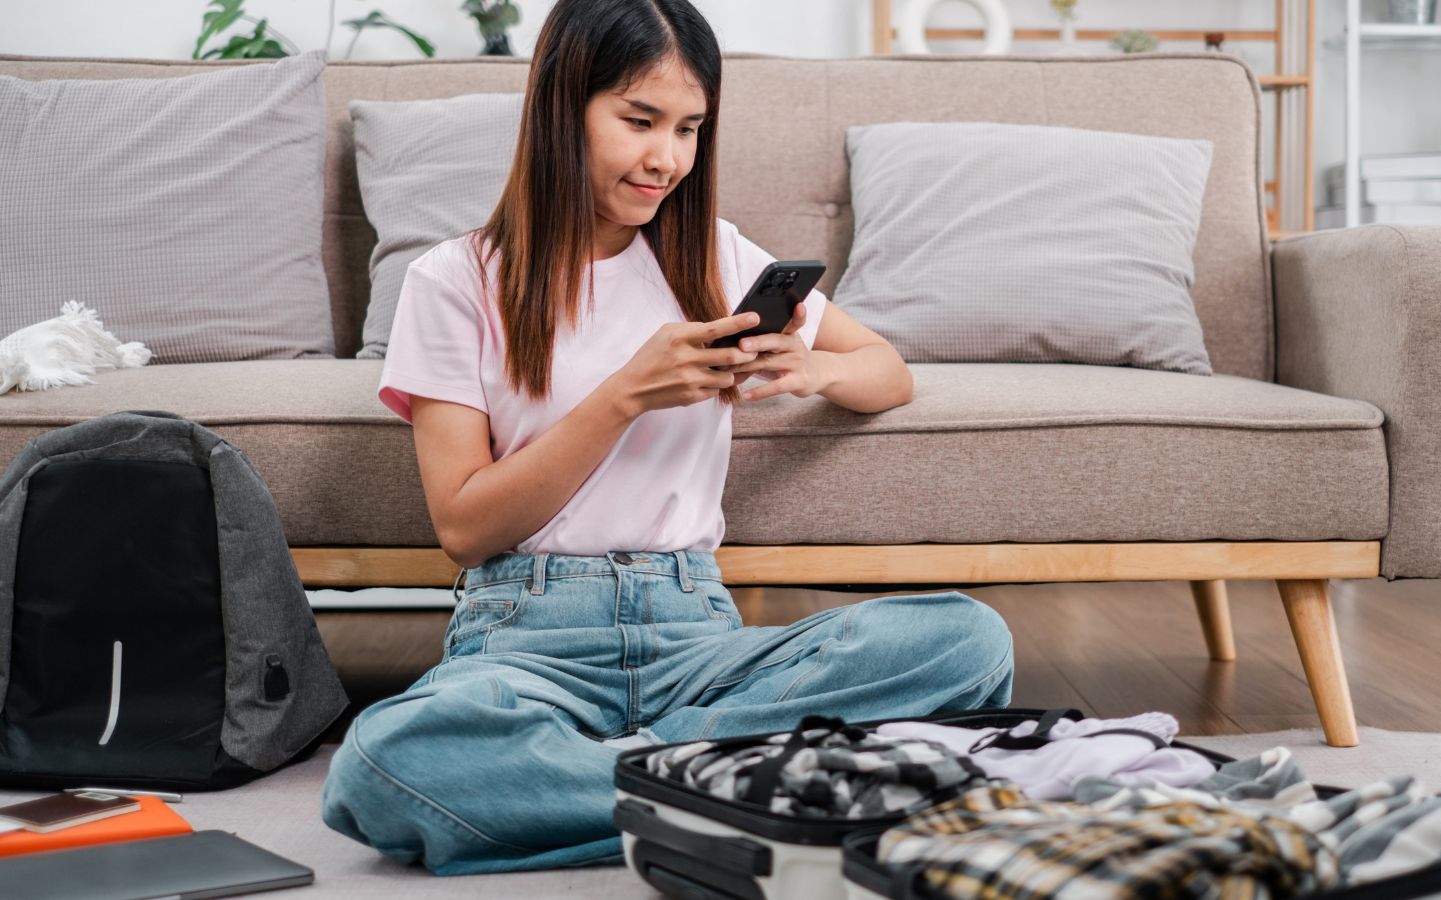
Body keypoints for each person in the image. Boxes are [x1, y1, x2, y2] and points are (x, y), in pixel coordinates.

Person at [320, 0, 1015, 876]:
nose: (667, 159)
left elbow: (887, 369)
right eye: (639, 121)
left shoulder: (716, 259)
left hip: (697, 633)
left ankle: (638, 782)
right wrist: (623, 398)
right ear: (560, 109)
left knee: (966, 639)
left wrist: (814, 369)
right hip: (527, 638)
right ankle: (730, 780)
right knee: (391, 760)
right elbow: (465, 526)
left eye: (690, 128)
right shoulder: (455, 280)